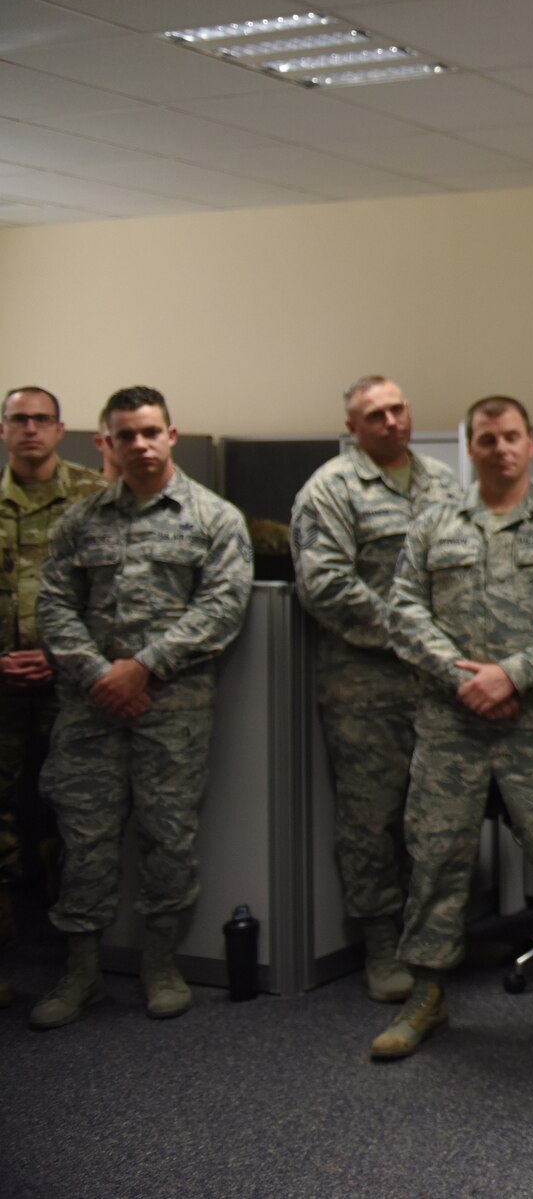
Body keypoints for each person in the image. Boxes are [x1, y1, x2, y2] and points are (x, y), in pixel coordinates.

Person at [371, 396, 533, 1060]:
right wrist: (466, 680)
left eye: (511, 437)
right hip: (452, 723)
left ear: (532, 445)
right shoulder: (434, 526)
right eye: (486, 439)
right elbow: (405, 613)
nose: (500, 448)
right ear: (469, 448)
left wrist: (512, 674)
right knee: (436, 856)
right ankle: (426, 994)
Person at [30, 386, 251, 1028]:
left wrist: (141, 667)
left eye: (151, 432)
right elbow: (54, 605)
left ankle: (160, 964)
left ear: (172, 435)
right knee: (85, 839)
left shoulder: (214, 519)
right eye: (126, 435)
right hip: (90, 708)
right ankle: (83, 973)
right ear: (106, 443)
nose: (140, 445)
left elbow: (222, 608)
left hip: (171, 708)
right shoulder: (81, 520)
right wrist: (101, 674)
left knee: (168, 835)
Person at [291, 377, 461, 1002]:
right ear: (352, 426)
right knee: (372, 817)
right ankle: (381, 944)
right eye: (374, 415)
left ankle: (436, 934)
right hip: (366, 682)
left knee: (437, 815)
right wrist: (415, 632)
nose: (390, 422)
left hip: (438, 680)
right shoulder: (330, 491)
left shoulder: (443, 480)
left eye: (397, 409)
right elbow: (325, 585)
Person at [0, 387, 109, 1008]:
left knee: (81, 812)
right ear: (4, 429)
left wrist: (59, 655)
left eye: (42, 420)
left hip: (71, 681)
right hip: (1, 684)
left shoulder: (95, 497)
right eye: (20, 419)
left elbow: (116, 595)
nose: (31, 430)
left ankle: (83, 959)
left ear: (61, 429)